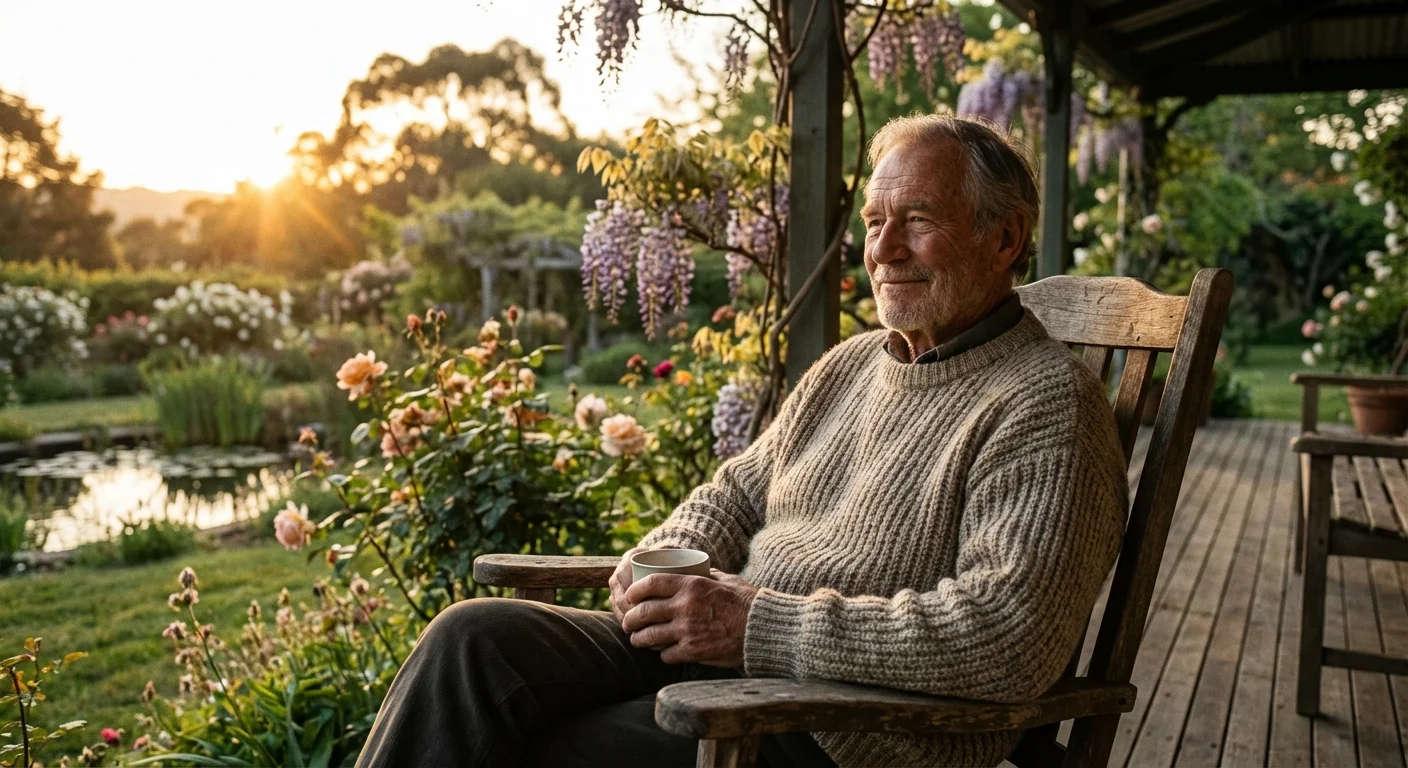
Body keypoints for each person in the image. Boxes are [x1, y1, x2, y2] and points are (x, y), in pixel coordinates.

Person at [356, 114, 1128, 768]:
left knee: (536, 747)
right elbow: (736, 492)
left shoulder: (1046, 405)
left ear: (1004, 239)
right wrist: (658, 565)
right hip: (726, 659)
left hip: (837, 728)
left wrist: (757, 624)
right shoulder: (857, 364)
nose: (884, 248)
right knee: (473, 641)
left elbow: (1005, 639)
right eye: (874, 221)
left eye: (919, 220)